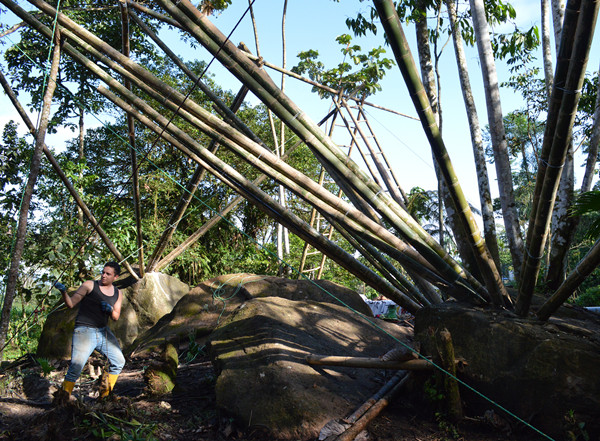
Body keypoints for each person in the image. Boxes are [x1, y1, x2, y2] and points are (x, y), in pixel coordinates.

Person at [53, 261, 125, 402]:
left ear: (115, 277)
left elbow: (116, 316)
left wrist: (110, 309)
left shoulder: (118, 293)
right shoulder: (89, 285)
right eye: (103, 272)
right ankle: (62, 400)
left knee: (118, 361)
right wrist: (63, 292)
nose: (103, 275)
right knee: (76, 366)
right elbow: (71, 304)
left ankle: (104, 397)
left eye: (108, 274)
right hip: (84, 330)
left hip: (103, 332)